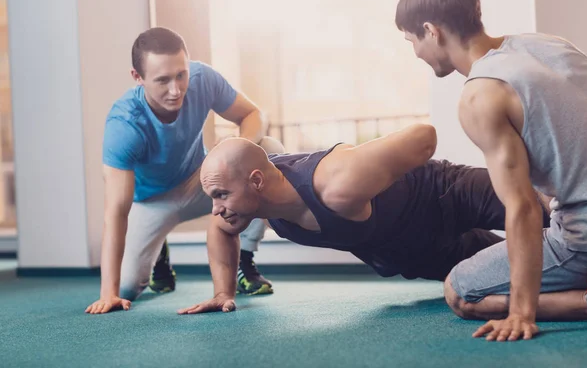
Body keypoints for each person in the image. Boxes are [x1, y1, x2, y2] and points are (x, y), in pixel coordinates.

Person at [396, 0, 587, 341]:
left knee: (459, 290)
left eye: (412, 40)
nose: (416, 52)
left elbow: (520, 206)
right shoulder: (551, 46)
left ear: (432, 30)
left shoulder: (480, 95)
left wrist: (521, 311)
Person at [175, 127, 549, 315]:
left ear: (256, 182)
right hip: (420, 252)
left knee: (547, 210)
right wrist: (224, 292)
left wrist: (365, 163)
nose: (217, 209)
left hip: (443, 193)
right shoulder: (248, 206)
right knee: (539, 268)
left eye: (221, 196)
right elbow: (221, 231)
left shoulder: (335, 181)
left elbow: (423, 136)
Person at [85, 27, 280, 315]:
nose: (176, 90)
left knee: (270, 149)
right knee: (125, 288)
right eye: (162, 80)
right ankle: (158, 252)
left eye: (181, 75)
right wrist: (108, 294)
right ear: (137, 78)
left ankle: (243, 262)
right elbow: (116, 212)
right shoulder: (124, 125)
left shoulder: (203, 79)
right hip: (151, 202)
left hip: (198, 181)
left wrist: (236, 156)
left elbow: (253, 114)